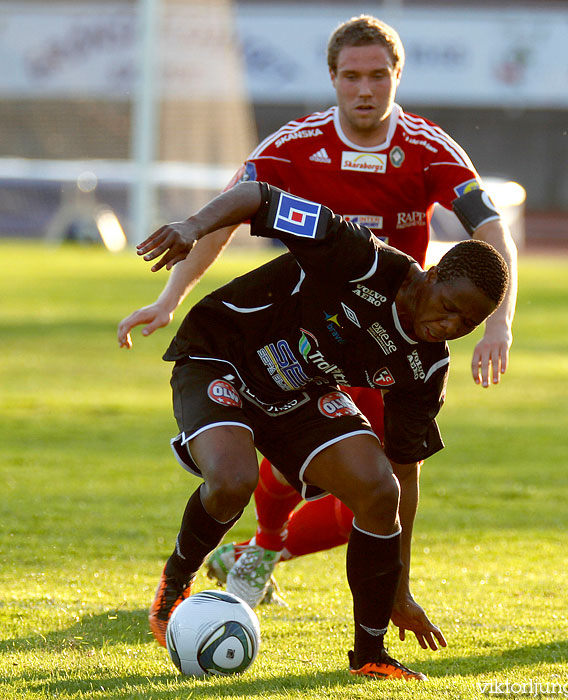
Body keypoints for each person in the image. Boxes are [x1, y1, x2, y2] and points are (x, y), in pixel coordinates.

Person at [117, 15, 517, 608]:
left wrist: (500, 323)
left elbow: (491, 234)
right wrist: (170, 297)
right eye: (352, 76)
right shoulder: (295, 144)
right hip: (312, 335)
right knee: (294, 455)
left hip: (398, 345)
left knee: (380, 486)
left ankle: (261, 553)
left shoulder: (429, 149)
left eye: (378, 76)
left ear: (396, 77)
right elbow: (232, 207)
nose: (365, 89)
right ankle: (261, 550)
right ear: (332, 78)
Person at [133, 179, 509, 680]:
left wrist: (401, 591)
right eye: (448, 306)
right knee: (231, 482)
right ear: (434, 273)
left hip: (299, 392)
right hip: (221, 356)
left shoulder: (425, 366)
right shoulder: (360, 257)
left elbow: (406, 470)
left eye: (468, 323)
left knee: (380, 490)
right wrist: (192, 226)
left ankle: (370, 654)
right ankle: (175, 583)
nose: (450, 326)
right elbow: (259, 196)